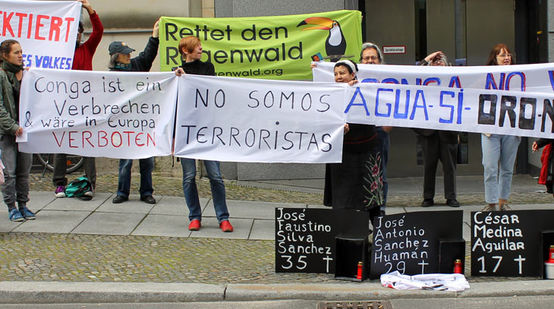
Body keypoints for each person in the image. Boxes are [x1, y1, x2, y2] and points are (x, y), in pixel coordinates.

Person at [174, 36, 233, 232]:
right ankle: (194, 216)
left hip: (208, 130)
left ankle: (223, 217)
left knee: (215, 176)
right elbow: (173, 106)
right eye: (196, 46)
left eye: (200, 46)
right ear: (186, 50)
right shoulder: (176, 74)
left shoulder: (208, 67)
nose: (200, 49)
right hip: (186, 132)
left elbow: (211, 89)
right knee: (189, 176)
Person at [323, 60, 383, 224]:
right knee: (344, 196)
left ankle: (380, 234)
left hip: (366, 151)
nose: (338, 77)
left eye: (342, 73)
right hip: (342, 154)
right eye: (335, 74)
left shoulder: (365, 91)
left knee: (369, 197)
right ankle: (346, 230)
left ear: (352, 75)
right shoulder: (330, 94)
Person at [53, 0, 103, 199]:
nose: (77, 34)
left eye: (79, 31)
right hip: (63, 104)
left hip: (84, 103)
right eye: (73, 31)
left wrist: (90, 10)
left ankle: (90, 182)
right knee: (61, 143)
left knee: (87, 144)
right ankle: (59, 183)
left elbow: (99, 31)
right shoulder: (58, 51)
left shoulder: (86, 49)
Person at [111, 19, 160, 205]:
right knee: (125, 161)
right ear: (116, 57)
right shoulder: (110, 76)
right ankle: (122, 192)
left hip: (142, 121)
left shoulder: (137, 66)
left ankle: (146, 192)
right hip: (124, 124)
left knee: (147, 160)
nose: (129, 55)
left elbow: (148, 55)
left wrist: (154, 37)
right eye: (125, 54)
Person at [414, 51, 460, 207]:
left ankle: (451, 196)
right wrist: (427, 59)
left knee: (450, 167)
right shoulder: (423, 79)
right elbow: (414, 72)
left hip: (448, 131)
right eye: (435, 61)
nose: (438, 63)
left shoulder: (455, 79)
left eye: (441, 61)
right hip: (429, 131)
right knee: (429, 165)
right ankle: (428, 197)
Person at [481, 43, 520, 211]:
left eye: (508, 55)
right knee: (490, 167)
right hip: (491, 130)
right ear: (494, 59)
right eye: (502, 55)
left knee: (507, 168)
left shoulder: (519, 77)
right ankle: (491, 203)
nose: (506, 58)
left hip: (511, 128)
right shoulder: (485, 76)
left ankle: (503, 202)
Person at [0, 40, 35, 222]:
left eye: (21, 52)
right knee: (10, 173)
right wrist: (13, 128)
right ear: (5, 55)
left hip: (25, 131)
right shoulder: (1, 75)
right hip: (7, 133)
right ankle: (11, 207)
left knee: (24, 171)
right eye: (16, 52)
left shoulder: (28, 75)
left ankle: (23, 204)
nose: (20, 55)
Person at [359, 42, 391, 214]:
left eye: (373, 58)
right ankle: (364, 210)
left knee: (381, 174)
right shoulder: (353, 77)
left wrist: (390, 122)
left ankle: (381, 211)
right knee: (362, 172)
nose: (370, 61)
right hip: (359, 133)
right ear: (361, 61)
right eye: (366, 58)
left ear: (380, 61)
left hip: (379, 132)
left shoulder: (388, 79)